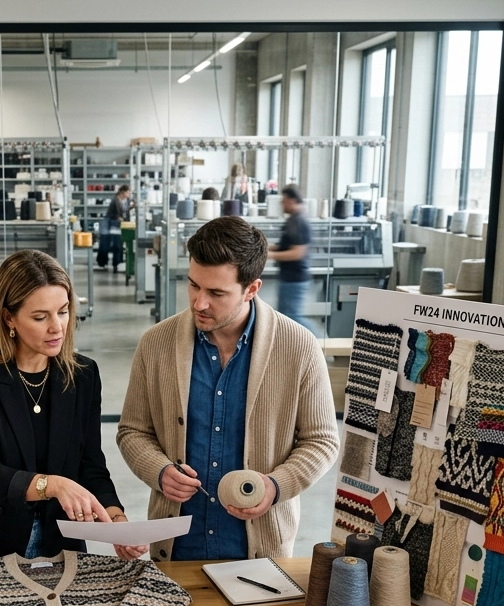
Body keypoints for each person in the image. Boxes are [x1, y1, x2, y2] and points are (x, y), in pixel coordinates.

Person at [117, 215, 339, 562]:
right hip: (177, 546)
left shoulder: (298, 347)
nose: (198, 303)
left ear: (252, 288)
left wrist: (275, 485)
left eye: (216, 292)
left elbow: (322, 440)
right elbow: (133, 431)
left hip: (260, 550)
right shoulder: (155, 344)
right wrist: (158, 471)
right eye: (193, 285)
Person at [0, 249, 147, 567]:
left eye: (64, 311)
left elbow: (90, 464)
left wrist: (117, 520)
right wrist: (51, 484)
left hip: (59, 541)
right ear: (8, 317)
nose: (57, 327)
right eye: (40, 317)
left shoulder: (83, 374)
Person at [268, 185, 317, 335]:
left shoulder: (299, 221)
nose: (282, 204)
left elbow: (298, 253)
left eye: (283, 200)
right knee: (286, 316)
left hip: (294, 278)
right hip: (289, 277)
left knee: (292, 317)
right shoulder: (294, 220)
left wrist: (269, 255)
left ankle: (317, 343)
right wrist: (266, 247)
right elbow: (286, 246)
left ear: (291, 200)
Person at [96, 185, 133, 272]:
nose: (129, 194)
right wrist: (118, 217)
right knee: (105, 244)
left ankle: (117, 263)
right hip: (110, 223)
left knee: (118, 244)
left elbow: (126, 211)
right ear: (123, 192)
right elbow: (111, 214)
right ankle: (103, 263)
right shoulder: (115, 200)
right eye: (128, 192)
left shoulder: (127, 200)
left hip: (119, 224)